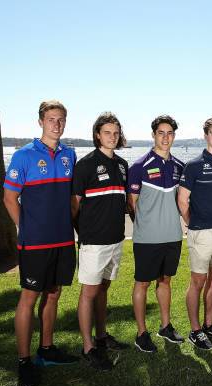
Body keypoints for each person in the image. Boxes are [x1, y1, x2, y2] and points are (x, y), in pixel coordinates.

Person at [3, 100, 79, 386]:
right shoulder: (23, 156)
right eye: (51, 119)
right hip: (35, 243)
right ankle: (23, 360)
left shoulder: (69, 155)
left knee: (54, 292)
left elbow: (71, 199)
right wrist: (26, 227)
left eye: (61, 119)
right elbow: (9, 198)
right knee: (29, 296)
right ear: (40, 122)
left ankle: (46, 350)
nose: (56, 124)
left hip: (63, 240)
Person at [71, 112, 130, 370]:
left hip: (116, 240)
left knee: (103, 289)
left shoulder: (122, 165)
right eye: (107, 132)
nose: (112, 137)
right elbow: (74, 207)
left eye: (116, 133)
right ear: (97, 134)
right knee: (89, 292)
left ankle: (102, 337)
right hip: (93, 242)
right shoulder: (85, 165)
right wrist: (83, 234)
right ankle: (88, 347)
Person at [127, 115, 185, 352]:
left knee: (165, 281)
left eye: (169, 133)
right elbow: (131, 205)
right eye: (161, 133)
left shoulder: (179, 167)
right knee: (142, 284)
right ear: (153, 135)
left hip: (173, 236)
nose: (165, 137)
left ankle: (165, 326)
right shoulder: (138, 167)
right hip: (147, 239)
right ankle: (141, 333)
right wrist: (145, 225)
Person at [178, 118, 212, 350]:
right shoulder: (193, 165)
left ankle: (209, 325)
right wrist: (194, 225)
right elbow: (182, 200)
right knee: (198, 281)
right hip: (201, 233)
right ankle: (196, 330)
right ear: (206, 136)